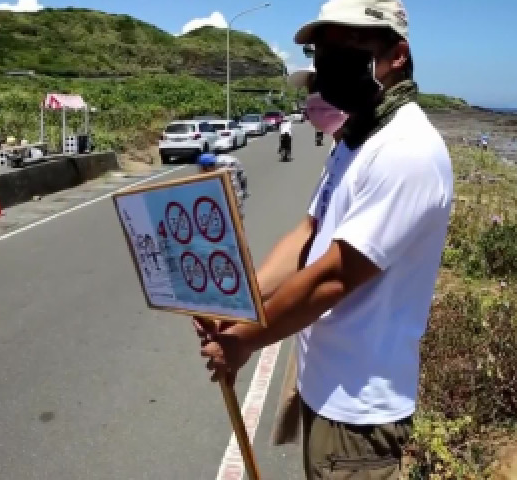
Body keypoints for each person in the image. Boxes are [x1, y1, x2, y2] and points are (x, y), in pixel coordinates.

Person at [194, 0, 453, 478]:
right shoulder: (357, 139)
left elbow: (332, 276)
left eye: (350, 44)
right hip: (324, 385)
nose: (331, 62)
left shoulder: (407, 150)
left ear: (397, 54)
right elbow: (307, 235)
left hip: (358, 409)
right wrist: (236, 304)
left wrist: (245, 339)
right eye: (323, 50)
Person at [197, 153, 249, 218]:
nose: (200, 172)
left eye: (202, 169)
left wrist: (238, 207)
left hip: (235, 168)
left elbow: (234, 188)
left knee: (237, 209)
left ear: (207, 167)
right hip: (231, 164)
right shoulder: (213, 164)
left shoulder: (225, 170)